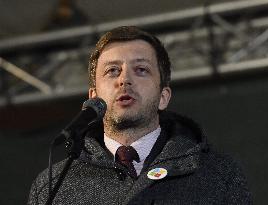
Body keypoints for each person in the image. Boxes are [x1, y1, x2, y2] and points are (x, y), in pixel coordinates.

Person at [28, 26, 252, 205]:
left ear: (163, 96)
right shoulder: (52, 186)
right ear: (93, 97)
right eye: (112, 71)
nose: (124, 80)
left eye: (141, 70)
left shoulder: (219, 174)